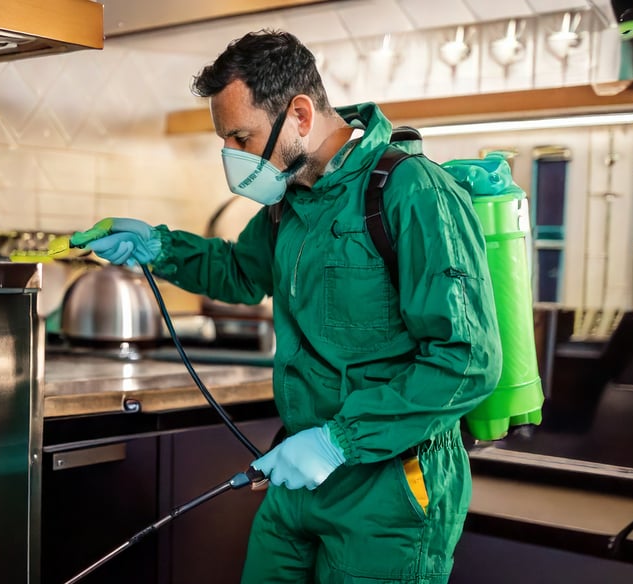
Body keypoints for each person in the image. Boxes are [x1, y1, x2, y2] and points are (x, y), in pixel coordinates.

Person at [71, 29, 502, 584]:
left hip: (390, 483)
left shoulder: (412, 192)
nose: (232, 156)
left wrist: (338, 441)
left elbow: (466, 362)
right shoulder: (291, 201)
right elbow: (241, 272)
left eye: (241, 137)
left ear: (299, 114)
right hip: (301, 475)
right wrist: (157, 246)